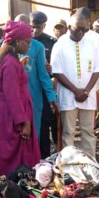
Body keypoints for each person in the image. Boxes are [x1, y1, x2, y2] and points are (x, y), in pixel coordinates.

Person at [52, 8, 99, 157]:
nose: (81, 33)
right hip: (67, 95)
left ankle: (90, 164)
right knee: (68, 132)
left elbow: (97, 69)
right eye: (77, 29)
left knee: (88, 132)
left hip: (88, 95)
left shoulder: (92, 43)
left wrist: (85, 91)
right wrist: (76, 90)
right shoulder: (60, 44)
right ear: (69, 27)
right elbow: (57, 71)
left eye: (84, 30)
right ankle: (68, 164)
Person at [0, 20, 39, 176]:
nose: (29, 46)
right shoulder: (10, 63)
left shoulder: (9, 59)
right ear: (17, 41)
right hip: (13, 116)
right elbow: (12, 96)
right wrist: (24, 122)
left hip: (9, 112)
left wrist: (19, 66)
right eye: (27, 42)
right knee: (14, 156)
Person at [13, 14, 57, 157]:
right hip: (13, 99)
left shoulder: (37, 46)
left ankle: (34, 165)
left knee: (35, 134)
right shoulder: (6, 46)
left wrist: (51, 96)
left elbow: (43, 75)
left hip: (33, 98)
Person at [30, 11, 59, 158]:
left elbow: (57, 67)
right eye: (31, 27)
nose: (34, 31)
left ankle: (45, 157)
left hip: (45, 88)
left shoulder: (50, 42)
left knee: (45, 123)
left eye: (38, 27)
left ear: (44, 26)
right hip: (29, 88)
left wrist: (52, 69)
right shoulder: (22, 41)